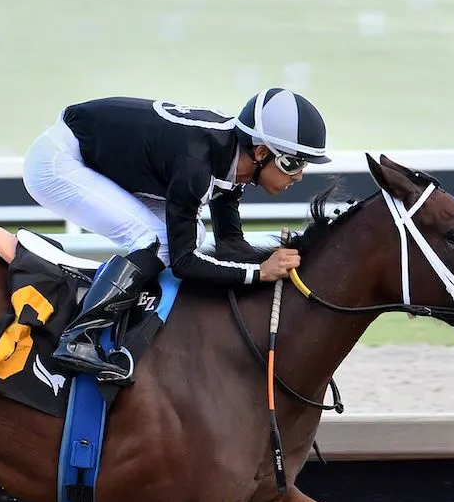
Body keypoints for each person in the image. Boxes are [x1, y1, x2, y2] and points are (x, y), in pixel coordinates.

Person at [21, 87, 331, 382]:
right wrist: (259, 271)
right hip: (58, 162)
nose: (300, 175)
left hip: (101, 154)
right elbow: (184, 263)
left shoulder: (235, 159)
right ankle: (78, 337)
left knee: (191, 234)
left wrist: (263, 273)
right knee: (154, 243)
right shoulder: (197, 163)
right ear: (261, 152)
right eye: (293, 163)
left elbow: (230, 244)